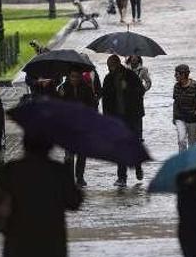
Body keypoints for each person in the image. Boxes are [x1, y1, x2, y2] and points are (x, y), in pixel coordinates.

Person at [102, 55, 146, 187]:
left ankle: (138, 166)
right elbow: (106, 100)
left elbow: (141, 91)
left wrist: (127, 88)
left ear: (117, 64)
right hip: (118, 118)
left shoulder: (131, 76)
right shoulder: (108, 79)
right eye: (108, 66)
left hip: (133, 116)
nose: (110, 68)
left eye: (111, 66)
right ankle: (122, 177)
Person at [57, 69, 99, 187]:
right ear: (68, 77)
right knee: (69, 155)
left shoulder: (86, 88)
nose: (74, 79)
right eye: (72, 77)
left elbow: (92, 105)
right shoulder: (63, 89)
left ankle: (80, 176)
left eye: (77, 77)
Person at [173, 64, 196, 152]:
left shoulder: (195, 85)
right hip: (180, 118)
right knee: (181, 140)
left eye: (177, 74)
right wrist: (174, 117)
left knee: (192, 143)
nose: (175, 76)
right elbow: (175, 102)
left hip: (193, 118)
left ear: (183, 75)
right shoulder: (176, 86)